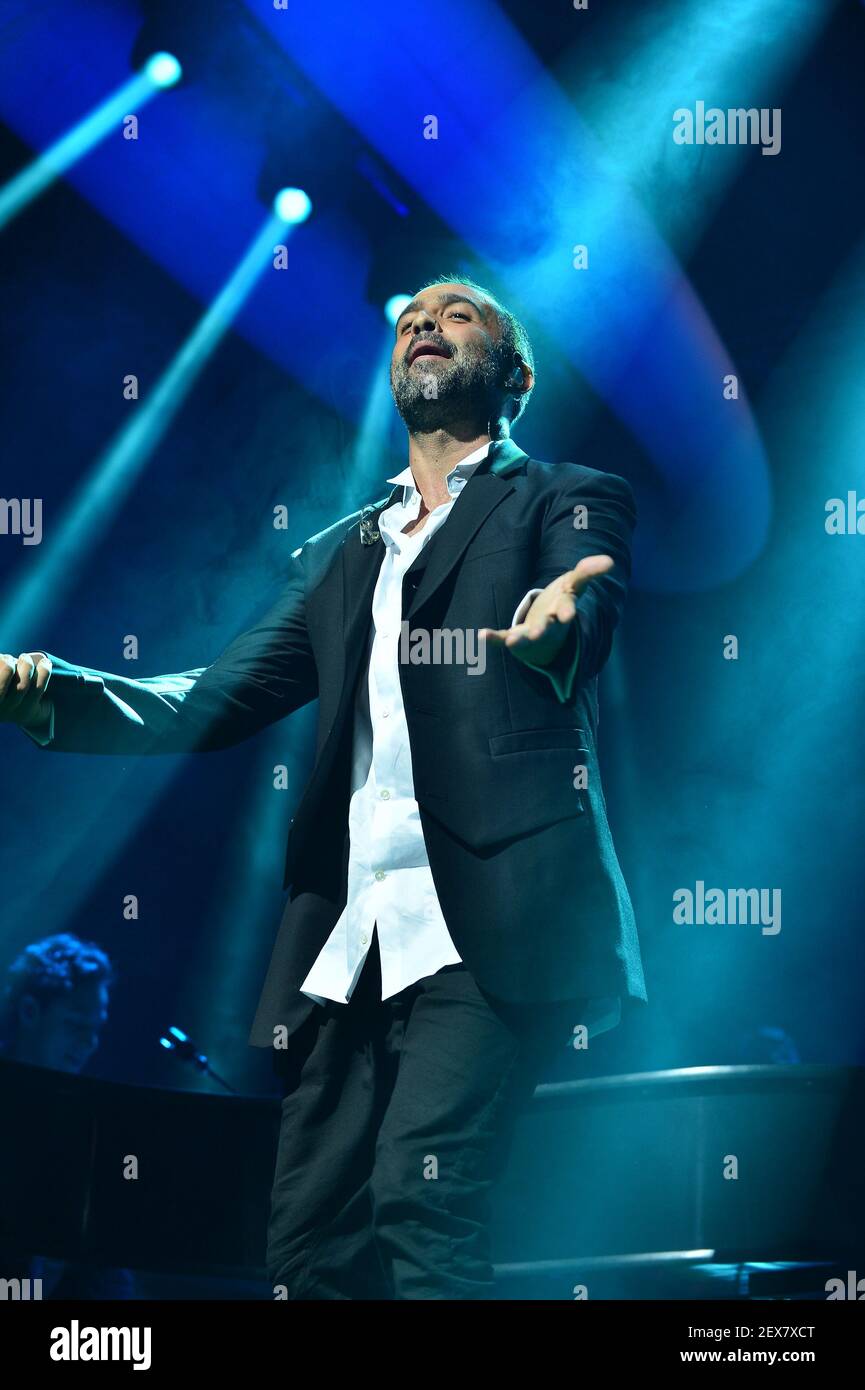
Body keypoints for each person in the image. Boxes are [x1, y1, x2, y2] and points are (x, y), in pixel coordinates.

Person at [0, 275, 647, 1299]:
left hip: (489, 921)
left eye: (457, 314)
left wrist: (559, 616)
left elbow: (585, 586)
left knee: (422, 1201)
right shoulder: (339, 552)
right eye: (409, 321)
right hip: (345, 937)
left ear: (513, 377)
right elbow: (213, 698)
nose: (424, 325)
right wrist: (51, 695)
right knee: (308, 1244)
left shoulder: (562, 493)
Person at [0, 933, 135, 1297]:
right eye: (76, 1025)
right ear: (30, 1011)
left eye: (96, 1030)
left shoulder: (86, 1115)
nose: (89, 1043)